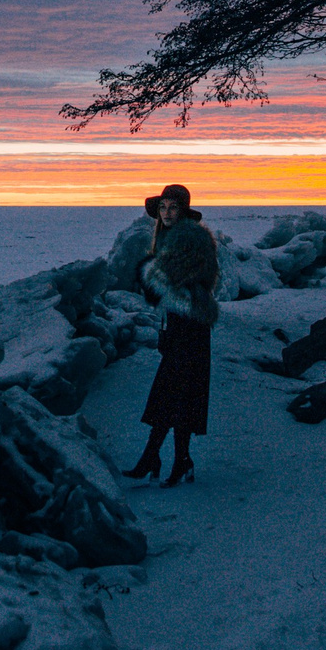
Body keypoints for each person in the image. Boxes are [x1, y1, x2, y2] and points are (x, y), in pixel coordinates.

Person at [126, 183, 217, 486]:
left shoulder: (190, 238)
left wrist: (148, 275)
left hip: (190, 324)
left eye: (172, 207)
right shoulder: (171, 237)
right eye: (163, 207)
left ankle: (158, 457)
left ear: (183, 211)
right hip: (180, 324)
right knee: (176, 393)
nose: (166, 212)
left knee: (174, 392)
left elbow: (168, 282)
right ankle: (175, 459)